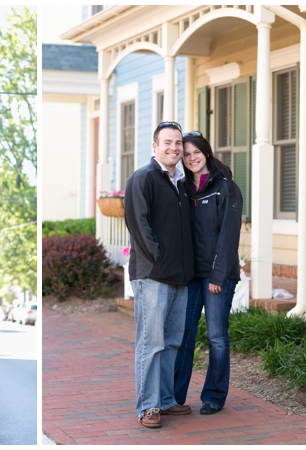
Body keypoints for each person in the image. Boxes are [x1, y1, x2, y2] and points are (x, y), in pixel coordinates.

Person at [123, 121, 195, 428]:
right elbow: (139, 225)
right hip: (152, 275)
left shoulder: (179, 181)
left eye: (178, 143)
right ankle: (148, 406)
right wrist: (160, 258)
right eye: (167, 142)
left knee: (172, 343)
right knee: (151, 343)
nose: (174, 148)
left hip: (180, 277)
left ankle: (165, 400)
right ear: (155, 146)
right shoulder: (144, 178)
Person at [173, 131, 243, 415]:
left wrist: (217, 276)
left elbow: (228, 235)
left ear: (206, 151)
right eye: (186, 154)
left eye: (195, 152)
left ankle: (214, 395)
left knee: (216, 336)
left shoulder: (225, 187)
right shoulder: (182, 187)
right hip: (191, 276)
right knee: (184, 335)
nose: (191, 158)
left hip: (218, 276)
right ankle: (174, 397)